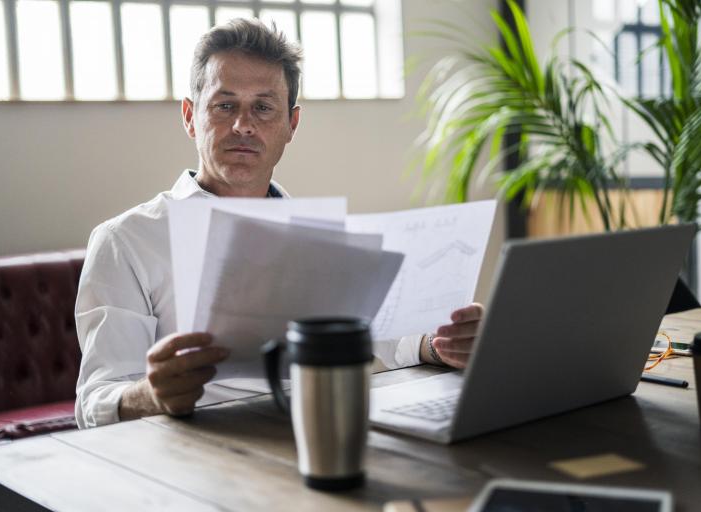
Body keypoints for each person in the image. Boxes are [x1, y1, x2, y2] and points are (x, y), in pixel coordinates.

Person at [74, 18, 483, 429]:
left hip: (321, 428)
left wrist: (439, 344)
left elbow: (380, 336)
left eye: (264, 107)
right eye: (225, 105)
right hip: (198, 443)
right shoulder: (125, 240)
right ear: (190, 116)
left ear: (291, 125)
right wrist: (150, 395)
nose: (244, 125)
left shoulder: (320, 235)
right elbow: (96, 399)